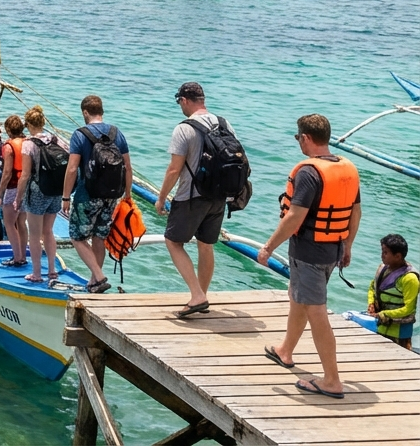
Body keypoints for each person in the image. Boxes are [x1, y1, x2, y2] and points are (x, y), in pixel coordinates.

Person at [257, 114, 362, 400]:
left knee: (316, 311)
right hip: (333, 249)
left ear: (305, 138)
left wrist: (268, 248)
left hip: (309, 252)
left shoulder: (308, 172)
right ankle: (285, 351)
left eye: (298, 138)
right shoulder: (347, 168)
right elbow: (355, 212)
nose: (298, 143)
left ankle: (331, 380)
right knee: (298, 298)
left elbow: (295, 217)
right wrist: (348, 245)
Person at [156, 82, 231, 317]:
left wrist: (161, 198)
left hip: (191, 195)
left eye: (180, 102)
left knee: (173, 241)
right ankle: (202, 296)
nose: (180, 106)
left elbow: (174, 169)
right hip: (219, 195)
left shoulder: (184, 128)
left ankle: (197, 295)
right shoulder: (224, 122)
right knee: (206, 245)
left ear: (185, 100)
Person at [62, 95, 132, 294]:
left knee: (77, 237)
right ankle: (94, 282)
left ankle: (99, 276)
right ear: (101, 110)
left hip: (88, 194)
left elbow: (73, 168)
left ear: (85, 112)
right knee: (98, 237)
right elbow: (127, 166)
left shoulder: (80, 134)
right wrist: (127, 194)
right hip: (112, 195)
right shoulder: (116, 133)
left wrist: (66, 196)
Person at [20, 105, 69, 283]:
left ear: (28, 124)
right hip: (55, 190)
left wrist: (18, 197)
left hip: (38, 191)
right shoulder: (56, 140)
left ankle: (36, 274)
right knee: (48, 231)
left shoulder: (28, 144)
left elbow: (25, 175)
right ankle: (52, 270)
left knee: (34, 234)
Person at [367, 234, 418, 350]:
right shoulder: (383, 268)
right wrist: (371, 303)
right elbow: (372, 287)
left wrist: (385, 314)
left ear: (398, 256)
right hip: (379, 326)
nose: (382, 255)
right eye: (382, 251)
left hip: (399, 333)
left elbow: (409, 308)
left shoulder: (410, 278)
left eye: (385, 252)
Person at [0, 115, 29, 267]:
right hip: (27, 186)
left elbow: (7, 172)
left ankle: (17, 257)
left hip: (13, 186)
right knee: (21, 222)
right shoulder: (28, 142)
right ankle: (23, 255)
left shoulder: (9, 147)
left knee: (9, 223)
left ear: (8, 130)